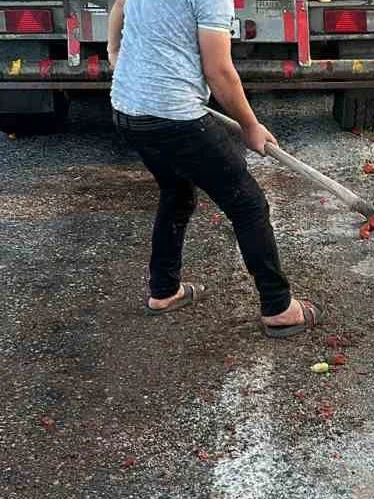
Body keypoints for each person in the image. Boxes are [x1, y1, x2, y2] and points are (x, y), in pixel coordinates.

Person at [107, 0, 319, 338]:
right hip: (172, 115)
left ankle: (164, 291)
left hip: (128, 112)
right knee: (247, 204)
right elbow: (218, 71)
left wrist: (113, 50)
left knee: (175, 191)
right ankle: (279, 308)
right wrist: (250, 126)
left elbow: (119, 4)